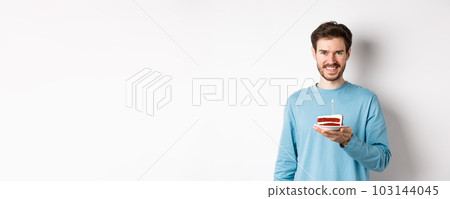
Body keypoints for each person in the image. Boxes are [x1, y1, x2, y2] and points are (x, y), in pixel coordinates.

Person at [274, 21, 391, 181]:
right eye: (324, 52)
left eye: (338, 53)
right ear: (314, 53)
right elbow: (285, 165)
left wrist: (350, 142)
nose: (331, 60)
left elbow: (381, 161)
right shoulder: (296, 102)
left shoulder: (367, 100)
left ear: (348, 54)